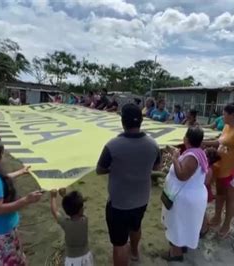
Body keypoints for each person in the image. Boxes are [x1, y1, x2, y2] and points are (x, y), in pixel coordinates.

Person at [96, 103, 161, 266]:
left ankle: (128, 253)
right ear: (141, 121)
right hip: (141, 199)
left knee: (119, 244)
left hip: (119, 203)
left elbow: (100, 170)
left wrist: (117, 168)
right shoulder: (153, 145)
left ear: (122, 122)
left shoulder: (113, 146)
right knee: (136, 227)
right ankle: (134, 251)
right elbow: (156, 167)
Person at [203, 103, 234, 238]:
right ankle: (217, 217)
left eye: (224, 114)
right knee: (220, 194)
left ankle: (226, 225)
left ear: (232, 115)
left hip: (232, 170)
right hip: (220, 166)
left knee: (230, 197)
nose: (222, 117)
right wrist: (205, 142)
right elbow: (220, 143)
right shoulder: (226, 127)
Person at [161, 127, 208, 262]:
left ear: (186, 139)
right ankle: (182, 246)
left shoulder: (192, 156)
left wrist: (175, 158)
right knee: (185, 224)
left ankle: (175, 253)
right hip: (189, 196)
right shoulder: (197, 152)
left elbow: (182, 175)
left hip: (184, 199)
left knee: (177, 224)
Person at [50, 188, 93, 266]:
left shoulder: (65, 223)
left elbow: (55, 212)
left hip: (72, 260)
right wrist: (64, 195)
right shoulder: (85, 220)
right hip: (86, 258)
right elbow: (73, 205)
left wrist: (53, 197)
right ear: (81, 210)